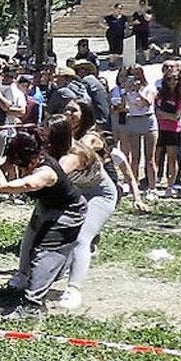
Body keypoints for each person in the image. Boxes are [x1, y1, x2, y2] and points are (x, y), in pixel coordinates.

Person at [0, 126, 87, 318]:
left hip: (69, 211)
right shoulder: (21, 155)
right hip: (46, 207)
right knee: (30, 245)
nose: (24, 169)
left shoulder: (47, 171)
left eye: (26, 165)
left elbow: (30, 184)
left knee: (46, 253)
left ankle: (32, 306)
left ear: (35, 157)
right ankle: (32, 280)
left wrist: (5, 186)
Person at [56, 103, 119, 311]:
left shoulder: (91, 136)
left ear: (84, 115)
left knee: (82, 237)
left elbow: (84, 149)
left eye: (74, 110)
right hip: (78, 190)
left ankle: (74, 290)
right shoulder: (60, 137)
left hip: (101, 192)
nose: (69, 113)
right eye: (66, 110)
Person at [114, 64, 157, 195]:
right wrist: (126, 91)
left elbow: (147, 102)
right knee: (135, 157)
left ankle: (152, 188)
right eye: (132, 74)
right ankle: (134, 186)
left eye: (138, 73)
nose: (135, 77)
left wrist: (138, 90)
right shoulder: (126, 90)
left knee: (150, 157)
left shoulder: (149, 87)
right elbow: (121, 107)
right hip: (132, 120)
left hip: (147, 120)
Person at [154, 63, 181, 192]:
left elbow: (177, 116)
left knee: (172, 159)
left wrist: (165, 115)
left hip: (174, 130)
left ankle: (170, 185)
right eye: (169, 79)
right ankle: (154, 183)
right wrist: (167, 115)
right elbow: (156, 112)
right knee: (156, 157)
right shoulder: (160, 94)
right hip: (159, 129)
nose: (172, 81)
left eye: (175, 79)